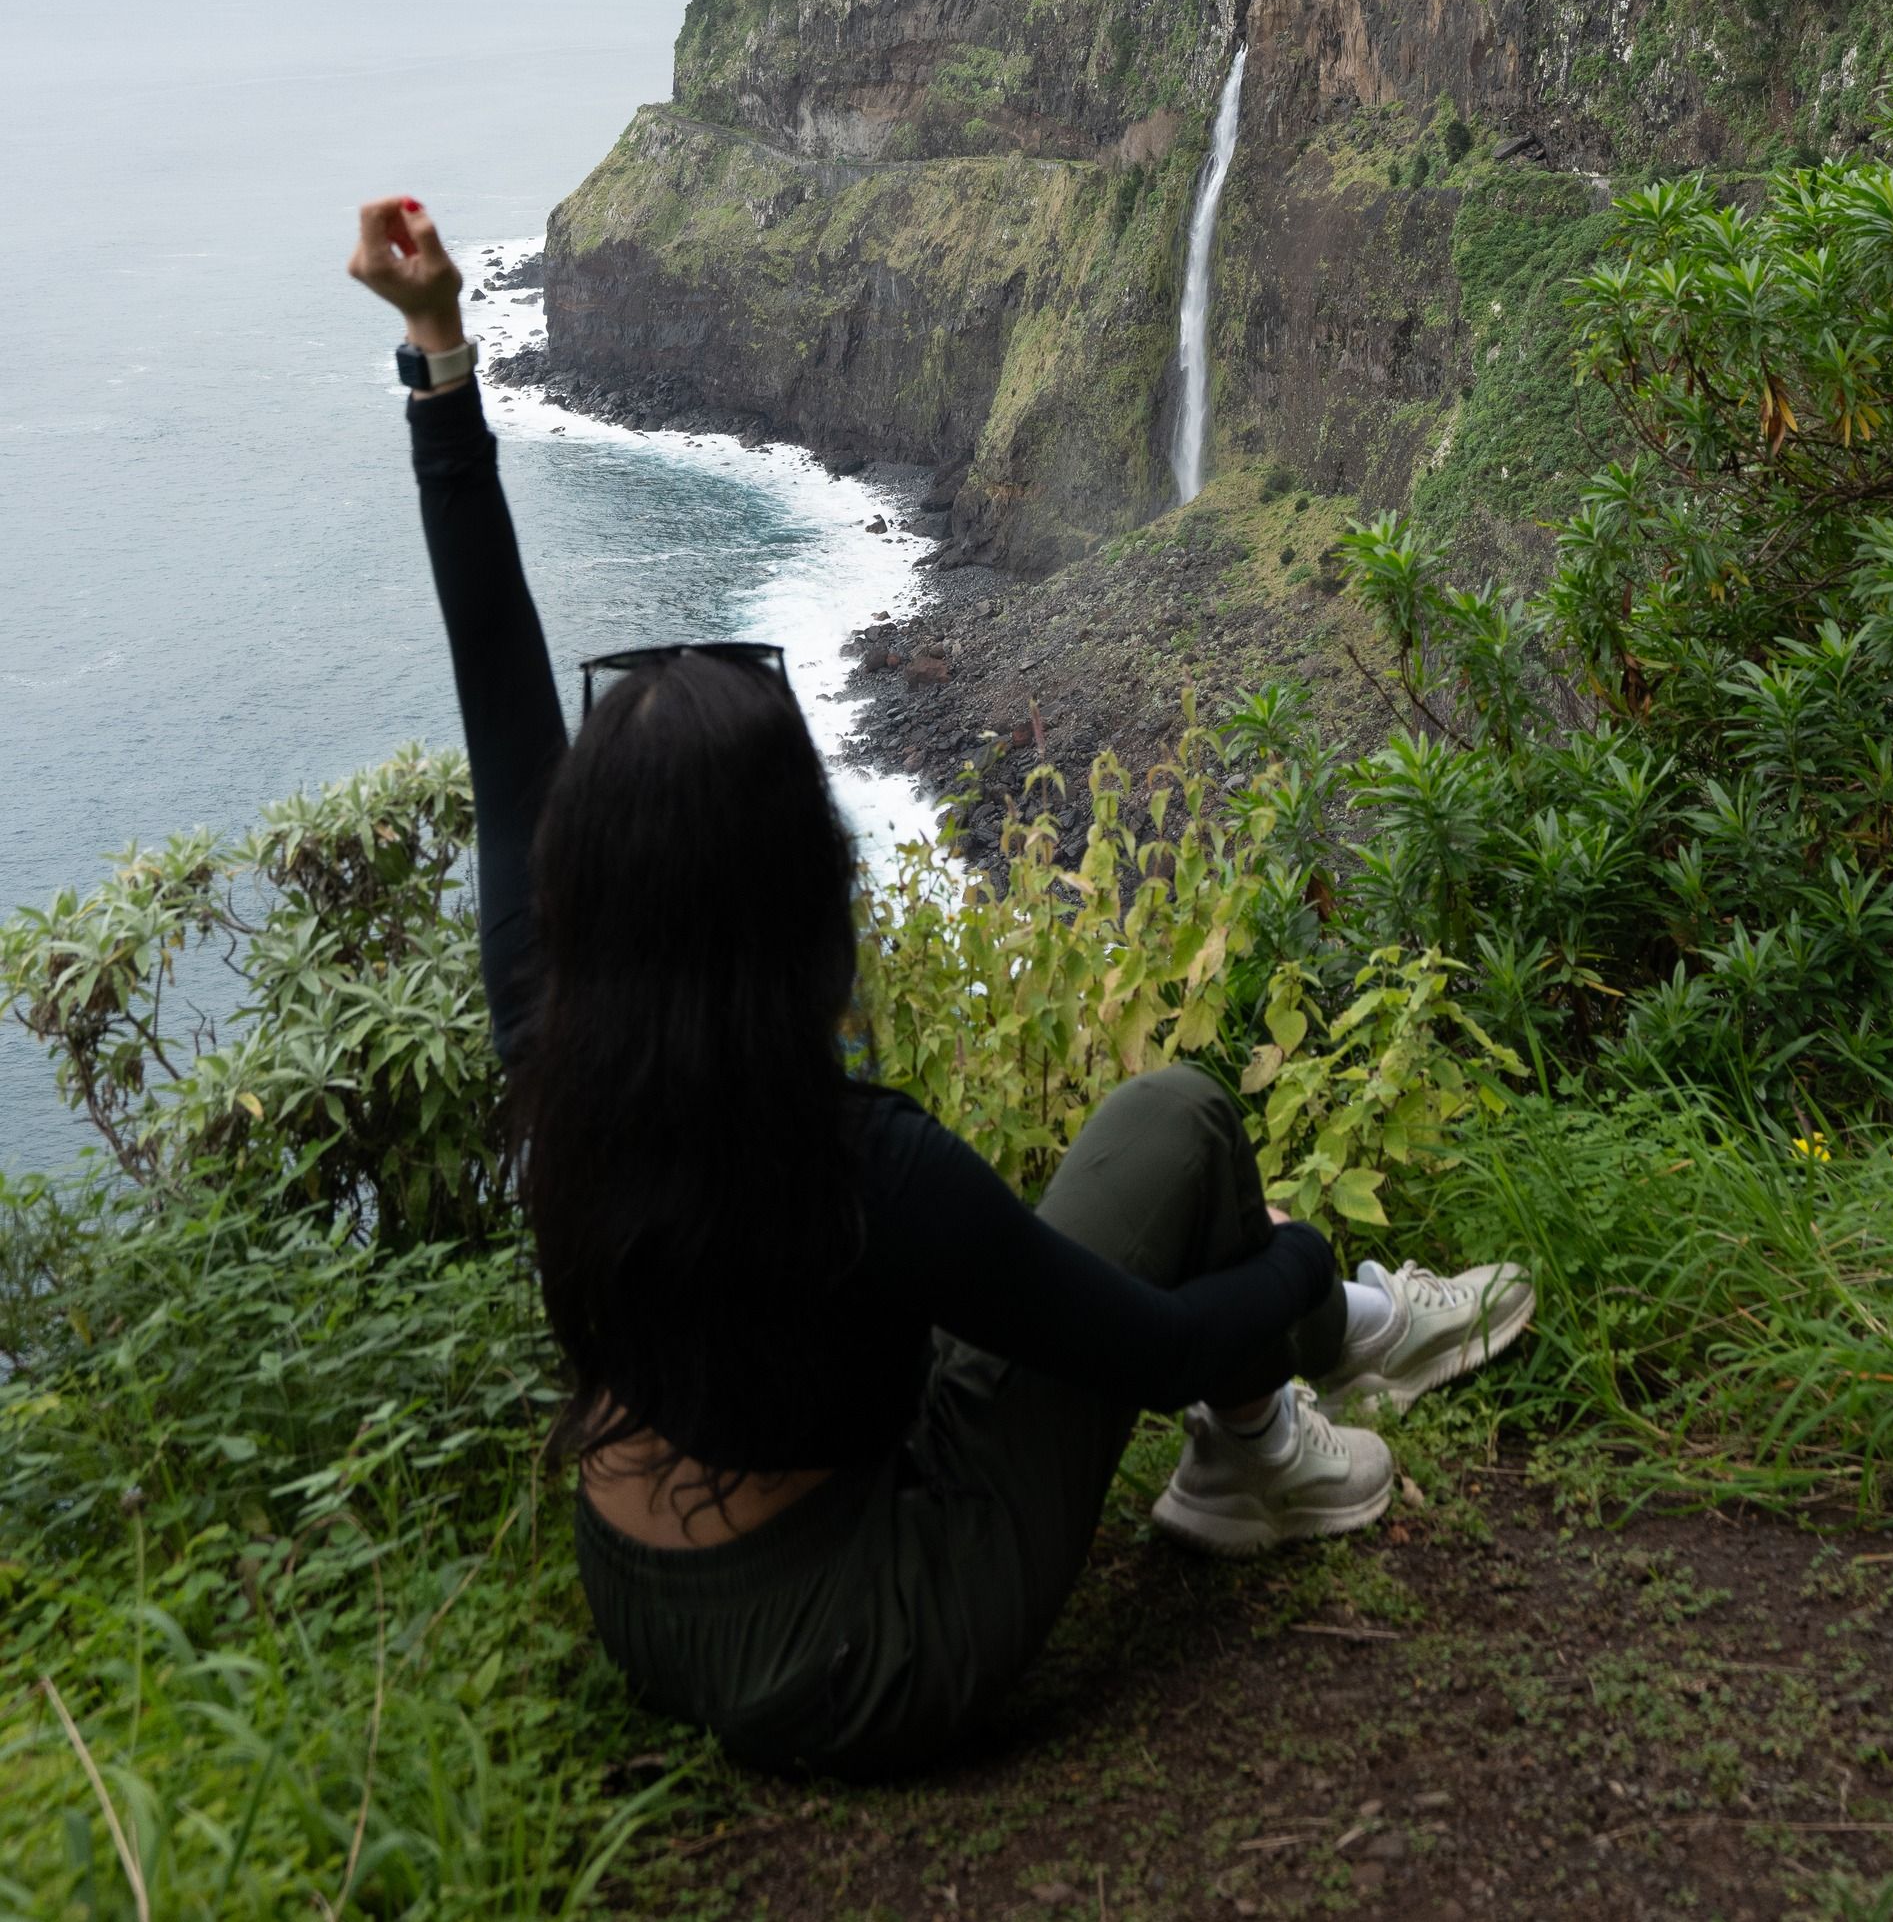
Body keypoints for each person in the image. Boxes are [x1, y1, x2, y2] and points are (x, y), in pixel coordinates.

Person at [349, 192, 1533, 1777]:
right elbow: (1157, 1346)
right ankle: (1299, 1408)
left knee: (1118, 1224)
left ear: (593, 888)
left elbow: (502, 712)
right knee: (1181, 1127)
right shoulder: (854, 1167)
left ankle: (1304, 1400)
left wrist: (441, 350)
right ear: (799, 901)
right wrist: (1312, 1277)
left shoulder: (559, 1041)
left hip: (645, 1602)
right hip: (866, 1644)